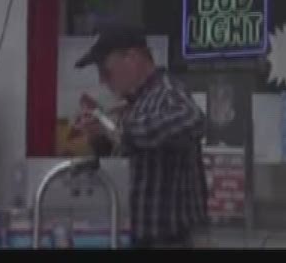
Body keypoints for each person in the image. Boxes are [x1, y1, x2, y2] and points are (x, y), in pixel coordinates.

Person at [75, 26, 207, 249]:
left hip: (167, 240)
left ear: (132, 58)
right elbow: (130, 159)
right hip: (134, 236)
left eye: (106, 72)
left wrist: (117, 130)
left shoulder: (166, 91)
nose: (103, 81)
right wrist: (99, 137)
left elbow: (192, 120)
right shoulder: (135, 102)